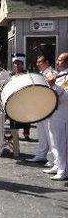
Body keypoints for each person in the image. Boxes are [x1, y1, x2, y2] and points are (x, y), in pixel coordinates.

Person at [31, 55, 57, 164]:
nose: (37, 64)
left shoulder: (52, 73)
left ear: (46, 62)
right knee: (42, 132)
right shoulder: (41, 74)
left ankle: (52, 159)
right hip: (40, 105)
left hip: (48, 106)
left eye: (39, 62)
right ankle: (41, 154)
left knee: (49, 133)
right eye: (37, 62)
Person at [46, 52, 68, 181]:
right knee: (53, 141)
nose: (57, 62)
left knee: (62, 142)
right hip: (53, 112)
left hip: (63, 113)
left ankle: (63, 170)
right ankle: (57, 164)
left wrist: (54, 85)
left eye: (60, 60)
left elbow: (66, 96)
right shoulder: (58, 75)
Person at [9, 53, 31, 141]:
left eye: (18, 64)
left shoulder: (27, 74)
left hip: (24, 98)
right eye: (15, 64)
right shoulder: (11, 75)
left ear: (22, 64)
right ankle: (14, 133)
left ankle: (26, 134)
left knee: (26, 116)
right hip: (14, 99)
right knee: (13, 117)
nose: (16, 65)